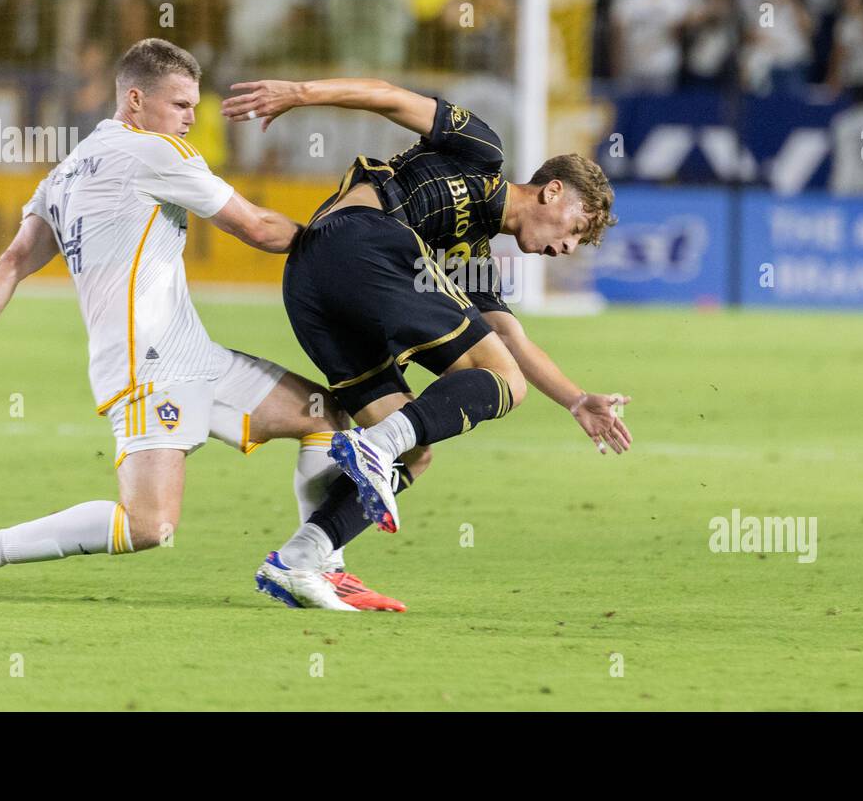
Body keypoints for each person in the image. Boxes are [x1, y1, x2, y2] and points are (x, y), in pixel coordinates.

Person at [0, 40, 404, 611]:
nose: (192, 118)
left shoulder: (67, 170)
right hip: (149, 369)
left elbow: (13, 261)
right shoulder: (156, 154)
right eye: (180, 104)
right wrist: (356, 236)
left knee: (325, 416)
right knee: (149, 526)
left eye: (195, 105)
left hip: (194, 357)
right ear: (136, 100)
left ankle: (319, 565)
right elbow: (260, 228)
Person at [221, 78, 633, 609]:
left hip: (311, 286)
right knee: (500, 382)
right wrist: (299, 94)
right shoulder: (482, 150)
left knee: (416, 451)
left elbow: (508, 333)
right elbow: (390, 98)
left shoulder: (473, 256)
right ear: (553, 190)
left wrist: (576, 399)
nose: (566, 248)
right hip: (358, 239)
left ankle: (302, 557)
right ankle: (375, 447)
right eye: (575, 230)